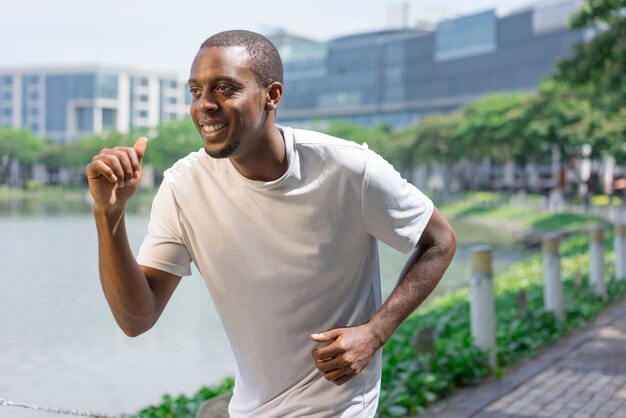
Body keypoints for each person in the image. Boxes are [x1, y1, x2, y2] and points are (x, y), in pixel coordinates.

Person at [85, 30, 456, 417]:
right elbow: (136, 318)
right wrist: (109, 215)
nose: (204, 105)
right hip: (250, 408)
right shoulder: (183, 186)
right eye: (195, 91)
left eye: (224, 88)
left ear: (272, 95)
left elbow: (439, 240)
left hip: (339, 405)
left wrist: (375, 332)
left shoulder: (348, 169)